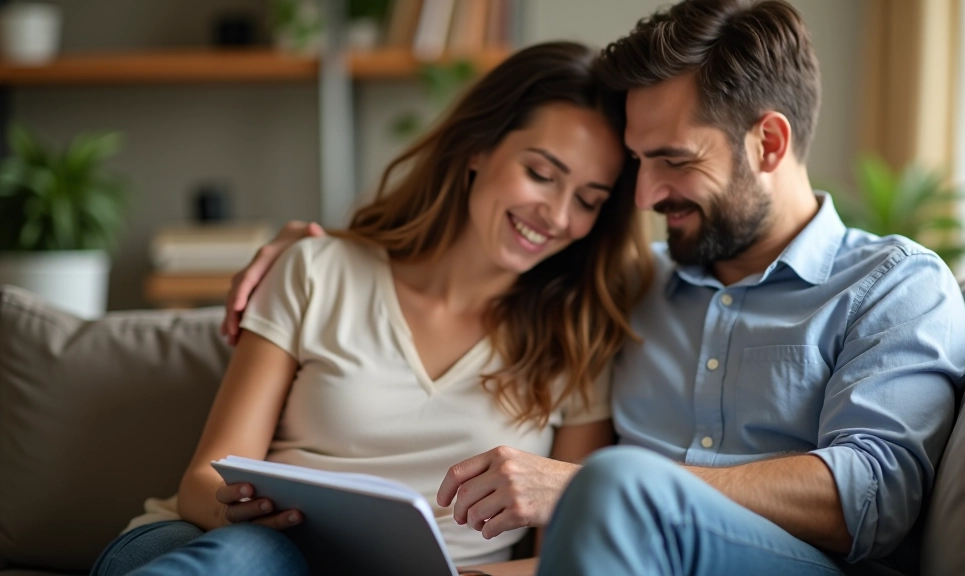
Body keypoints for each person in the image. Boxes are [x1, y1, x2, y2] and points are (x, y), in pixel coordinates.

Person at [231, 1, 965, 575]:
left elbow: (875, 493)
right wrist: (314, 252)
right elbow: (488, 256)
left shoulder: (894, 285)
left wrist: (597, 490)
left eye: (673, 161)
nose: (646, 196)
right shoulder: (623, 288)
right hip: (610, 557)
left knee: (617, 483)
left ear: (770, 143)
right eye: (635, 166)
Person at [91, 41, 653, 576]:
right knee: (255, 556)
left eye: (587, 201)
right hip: (208, 543)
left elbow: (564, 559)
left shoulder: (579, 337)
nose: (556, 215)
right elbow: (200, 482)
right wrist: (233, 510)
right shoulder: (316, 270)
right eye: (541, 173)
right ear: (479, 147)